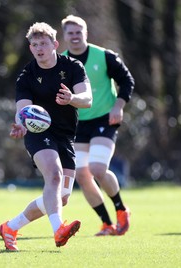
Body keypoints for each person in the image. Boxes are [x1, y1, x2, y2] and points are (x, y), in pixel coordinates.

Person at [0, 22, 93, 251]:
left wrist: (71, 99)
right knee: (54, 175)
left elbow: (87, 99)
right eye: (34, 44)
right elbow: (23, 110)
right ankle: (59, 229)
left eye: (43, 43)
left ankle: (10, 227)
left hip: (66, 135)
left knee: (62, 197)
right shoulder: (26, 76)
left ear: (55, 44)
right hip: (39, 134)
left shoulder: (72, 67)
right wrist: (21, 124)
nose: (39, 48)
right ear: (30, 48)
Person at [60, 15, 135, 236]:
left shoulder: (104, 56)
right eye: (70, 33)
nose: (74, 37)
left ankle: (121, 210)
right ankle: (107, 223)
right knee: (82, 176)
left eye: (78, 32)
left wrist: (118, 107)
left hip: (104, 119)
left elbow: (127, 81)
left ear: (86, 33)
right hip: (77, 125)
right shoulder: (60, 61)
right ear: (64, 36)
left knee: (98, 169)